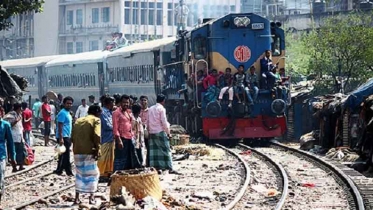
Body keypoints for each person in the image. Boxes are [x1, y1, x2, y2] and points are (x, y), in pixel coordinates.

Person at [71, 105, 101, 205]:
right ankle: (91, 197)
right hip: (89, 151)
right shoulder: (96, 120)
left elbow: (73, 135)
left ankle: (77, 198)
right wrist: (98, 149)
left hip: (77, 150)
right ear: (97, 112)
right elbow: (97, 135)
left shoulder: (78, 120)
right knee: (93, 174)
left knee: (79, 174)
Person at [147, 94, 174, 173]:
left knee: (154, 151)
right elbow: (164, 122)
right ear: (163, 101)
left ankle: (157, 168)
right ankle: (169, 167)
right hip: (160, 131)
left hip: (152, 132)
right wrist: (168, 133)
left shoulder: (150, 109)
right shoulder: (161, 109)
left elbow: (147, 121)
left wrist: (149, 131)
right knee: (166, 150)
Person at [112, 95, 140, 171]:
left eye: (127, 102)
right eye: (124, 102)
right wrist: (119, 140)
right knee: (120, 159)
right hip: (122, 139)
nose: (126, 104)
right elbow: (115, 128)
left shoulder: (128, 112)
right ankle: (117, 176)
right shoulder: (116, 113)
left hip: (130, 138)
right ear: (120, 103)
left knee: (130, 159)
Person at [54, 96, 74, 176]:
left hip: (67, 136)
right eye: (67, 103)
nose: (69, 105)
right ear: (64, 104)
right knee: (66, 155)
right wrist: (61, 138)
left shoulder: (68, 113)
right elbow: (60, 126)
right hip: (63, 136)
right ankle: (68, 171)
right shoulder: (62, 113)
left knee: (62, 154)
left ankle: (59, 170)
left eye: (70, 104)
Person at [0, 114, 16, 204]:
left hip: (1, 155)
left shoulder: (5, 125)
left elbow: (10, 142)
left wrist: (12, 157)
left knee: (1, 179)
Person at [97, 96, 115, 177]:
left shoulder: (110, 112)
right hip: (105, 138)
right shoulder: (102, 112)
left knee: (110, 157)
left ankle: (107, 173)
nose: (114, 104)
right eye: (112, 103)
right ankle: (101, 173)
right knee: (103, 157)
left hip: (110, 138)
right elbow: (107, 125)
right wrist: (116, 127)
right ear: (108, 103)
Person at [4, 103, 25, 172]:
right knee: (14, 152)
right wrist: (16, 121)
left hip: (20, 135)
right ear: (18, 108)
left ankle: (21, 165)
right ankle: (14, 167)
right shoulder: (10, 116)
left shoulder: (19, 115)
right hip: (14, 136)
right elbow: (9, 125)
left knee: (21, 151)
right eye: (20, 108)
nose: (21, 110)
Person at [139, 96, 149, 165]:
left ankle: (148, 162)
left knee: (148, 147)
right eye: (142, 100)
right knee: (140, 148)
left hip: (147, 132)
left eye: (145, 100)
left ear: (147, 101)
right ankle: (141, 163)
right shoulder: (138, 111)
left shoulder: (150, 111)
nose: (143, 102)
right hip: (139, 132)